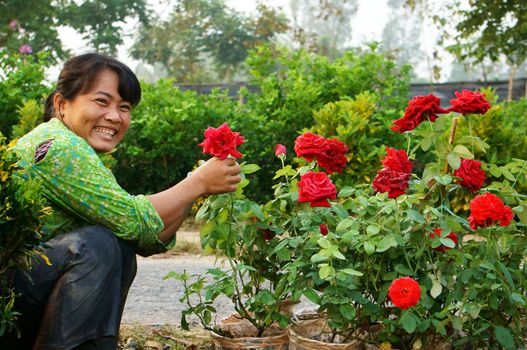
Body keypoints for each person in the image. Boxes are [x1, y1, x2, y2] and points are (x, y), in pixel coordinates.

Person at [0, 53, 241, 349]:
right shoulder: (58, 148)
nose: (115, 116)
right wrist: (197, 182)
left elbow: (146, 240)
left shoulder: (78, 150)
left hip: (17, 300)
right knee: (96, 244)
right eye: (101, 101)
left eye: (124, 107)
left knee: (117, 248)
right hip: (6, 308)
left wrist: (197, 189)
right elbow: (137, 220)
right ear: (62, 104)